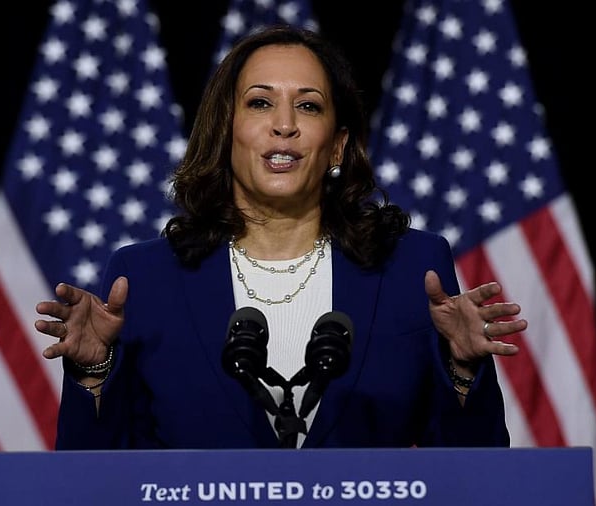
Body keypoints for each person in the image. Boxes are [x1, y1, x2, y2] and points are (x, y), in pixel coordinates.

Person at [35, 25, 525, 450]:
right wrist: (93, 372)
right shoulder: (144, 278)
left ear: (337, 144)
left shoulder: (410, 268)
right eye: (260, 102)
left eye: (308, 107)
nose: (285, 125)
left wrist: (462, 370)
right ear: (226, 131)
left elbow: (472, 471)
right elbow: (95, 477)